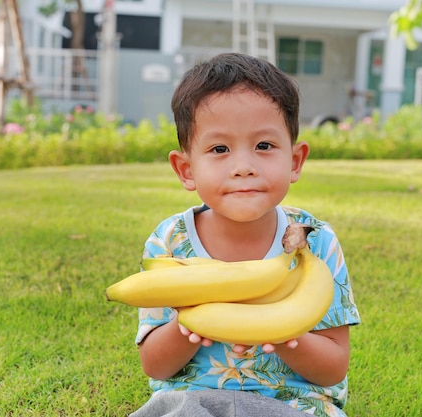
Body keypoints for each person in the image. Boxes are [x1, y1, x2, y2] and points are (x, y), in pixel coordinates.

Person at [129, 52, 361, 417]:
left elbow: (334, 367)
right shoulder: (170, 243)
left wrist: (286, 334)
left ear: (295, 161)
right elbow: (154, 366)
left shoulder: (314, 242)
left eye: (264, 146)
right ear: (186, 169)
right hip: (194, 401)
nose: (243, 167)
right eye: (219, 149)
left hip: (291, 404)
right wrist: (186, 324)